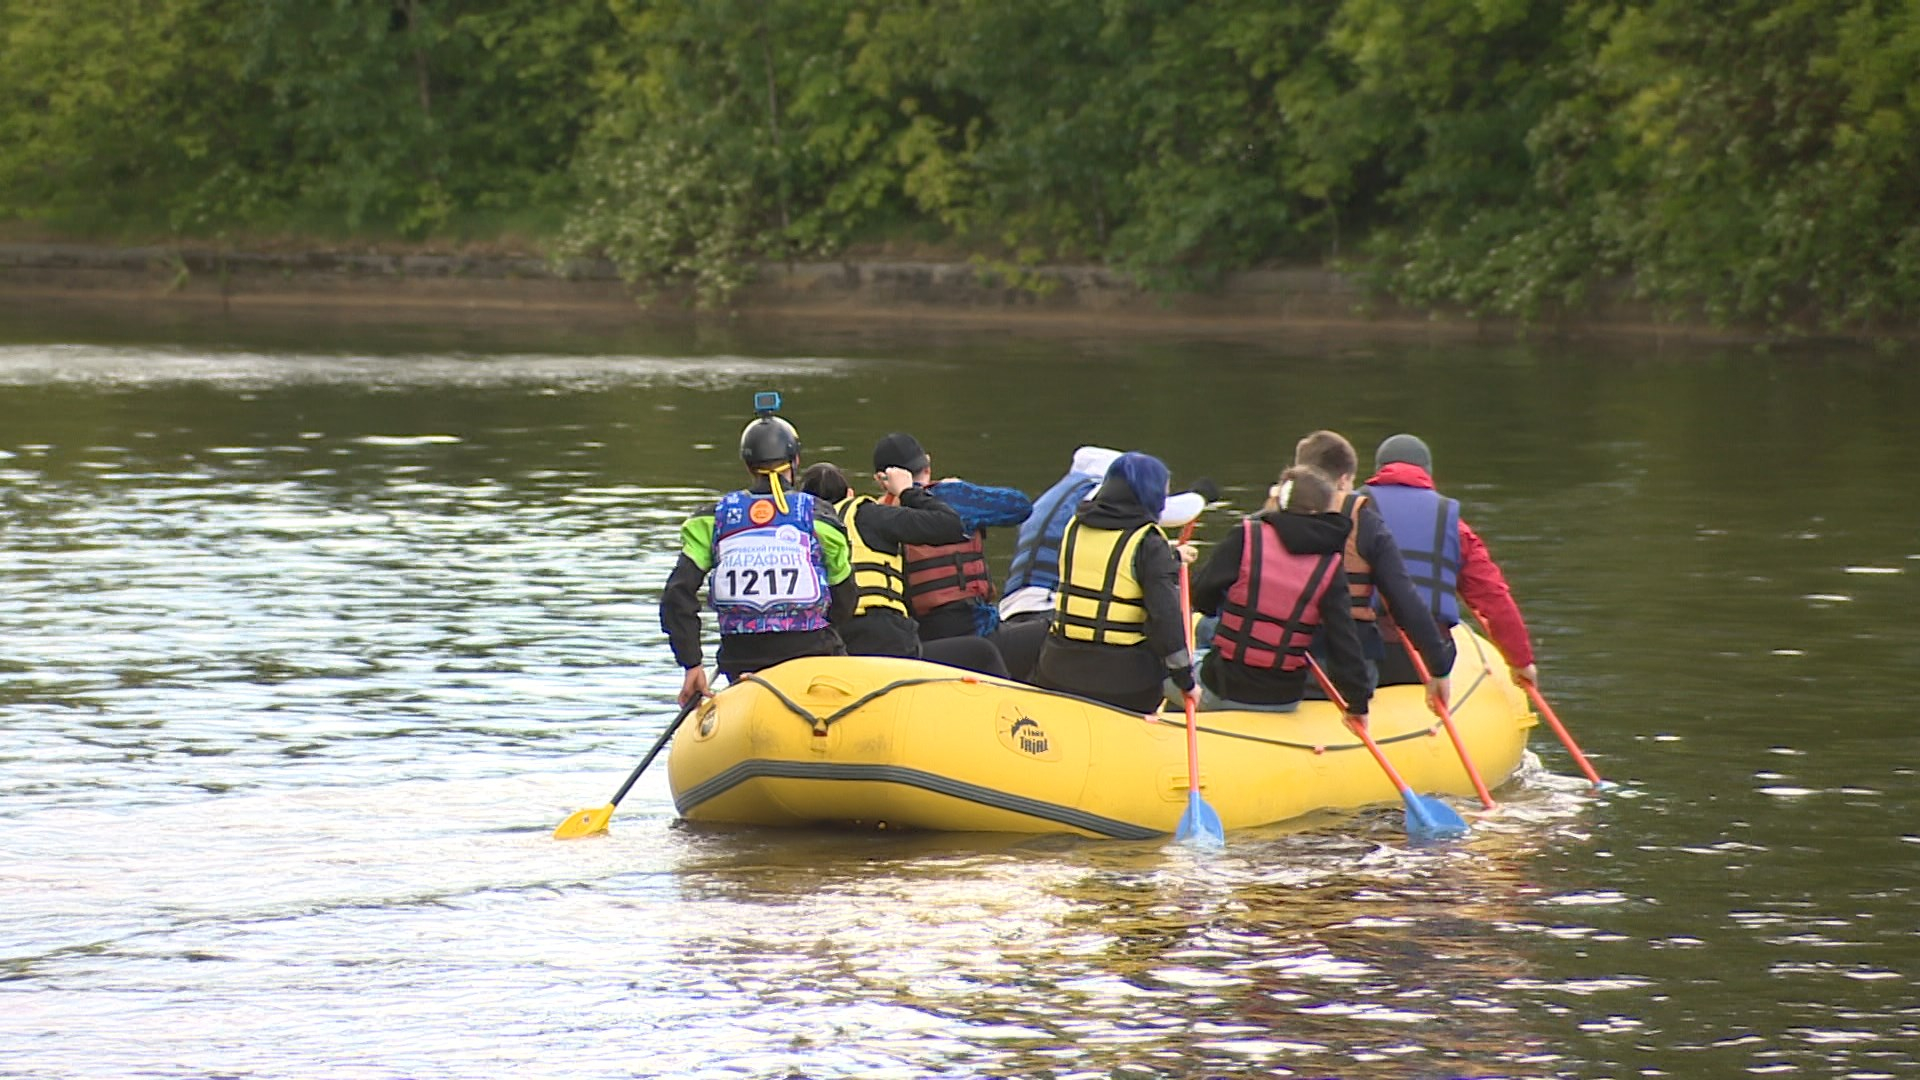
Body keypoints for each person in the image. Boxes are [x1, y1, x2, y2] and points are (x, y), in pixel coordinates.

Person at [659, 400, 855, 706]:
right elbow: (845, 600)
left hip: (740, 660)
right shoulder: (820, 518)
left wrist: (692, 662)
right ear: (796, 461)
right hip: (812, 653)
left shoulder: (710, 521)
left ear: (747, 466)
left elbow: (676, 595)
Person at [804, 455, 1011, 677]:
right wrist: (908, 491)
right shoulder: (871, 515)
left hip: (830, 646)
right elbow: (950, 525)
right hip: (886, 639)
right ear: (850, 494)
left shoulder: (797, 532)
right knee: (983, 653)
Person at [1189, 466, 1371, 716]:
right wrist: (1358, 704)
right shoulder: (1330, 565)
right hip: (1285, 698)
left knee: (1172, 665)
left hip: (1224, 687)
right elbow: (1344, 640)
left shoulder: (1245, 536)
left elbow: (1201, 597)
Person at [1293, 430, 1453, 710]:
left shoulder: (1263, 523)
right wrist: (1438, 667)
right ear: (1344, 480)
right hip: (1351, 671)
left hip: (1285, 663)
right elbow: (1405, 601)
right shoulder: (1367, 524)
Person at [1364, 433, 1538, 689]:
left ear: (1378, 471)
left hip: (1360, 654)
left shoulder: (1348, 512)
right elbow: (1493, 596)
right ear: (1427, 474)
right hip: (1424, 660)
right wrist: (1521, 661)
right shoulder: (1454, 527)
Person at [1030, 452, 1196, 714]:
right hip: (1123, 685)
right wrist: (1186, 682)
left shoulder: (1075, 525)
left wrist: (1171, 557)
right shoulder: (1149, 542)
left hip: (1056, 671)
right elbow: (1166, 619)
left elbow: (1109, 570)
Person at [999, 446, 1213, 626]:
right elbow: (1170, 513)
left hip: (1012, 608)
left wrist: (1171, 554)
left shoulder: (1052, 498)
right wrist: (1200, 496)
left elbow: (1106, 554)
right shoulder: (1097, 498)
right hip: (1051, 609)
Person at [869, 432, 1033, 642]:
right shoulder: (954, 496)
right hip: (974, 627)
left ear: (880, 480)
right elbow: (1020, 507)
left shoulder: (874, 514)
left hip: (916, 636)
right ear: (927, 464)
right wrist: (965, 489)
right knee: (1043, 630)